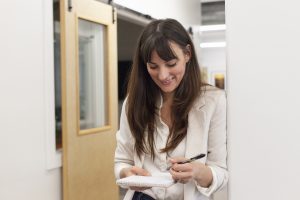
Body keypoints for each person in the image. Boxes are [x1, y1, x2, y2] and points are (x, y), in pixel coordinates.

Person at [114, 18, 228, 200]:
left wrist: (198, 172)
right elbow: (122, 161)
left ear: (187, 54)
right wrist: (125, 173)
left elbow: (221, 173)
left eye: (171, 64)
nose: (163, 75)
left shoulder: (213, 101)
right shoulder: (134, 102)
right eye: (153, 66)